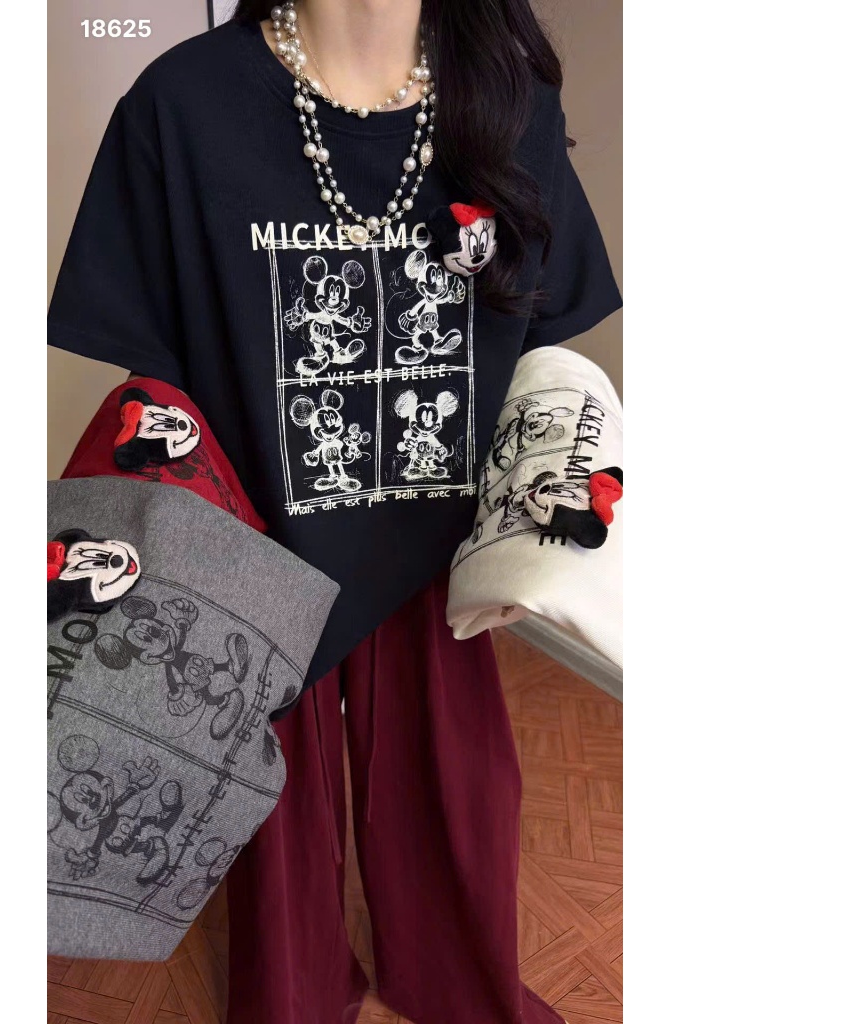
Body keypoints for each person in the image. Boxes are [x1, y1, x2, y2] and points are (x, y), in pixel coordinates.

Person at [48, 2, 621, 1021]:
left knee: (457, 795)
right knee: (270, 817)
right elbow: (155, 379)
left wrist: (537, 537)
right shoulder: (182, 105)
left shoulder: (509, 98)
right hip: (260, 542)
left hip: (444, 544)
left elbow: (546, 346)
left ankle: (452, 976)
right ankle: (295, 991)